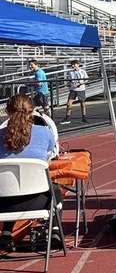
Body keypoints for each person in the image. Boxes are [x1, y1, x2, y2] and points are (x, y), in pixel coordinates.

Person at [0, 94, 59, 253]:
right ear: (32, 111)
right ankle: (54, 229)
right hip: (37, 201)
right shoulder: (44, 133)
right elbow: (50, 156)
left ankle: (6, 234)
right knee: (55, 190)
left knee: (10, 185)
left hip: (3, 204)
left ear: (7, 112)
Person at [62, 59, 89, 124]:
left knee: (82, 103)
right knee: (69, 103)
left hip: (81, 89)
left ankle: (84, 117)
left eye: (74, 64)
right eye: (72, 65)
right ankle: (68, 117)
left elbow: (87, 79)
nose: (73, 66)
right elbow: (69, 81)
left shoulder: (83, 71)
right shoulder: (70, 72)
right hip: (73, 89)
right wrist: (69, 84)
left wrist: (80, 83)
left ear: (78, 65)